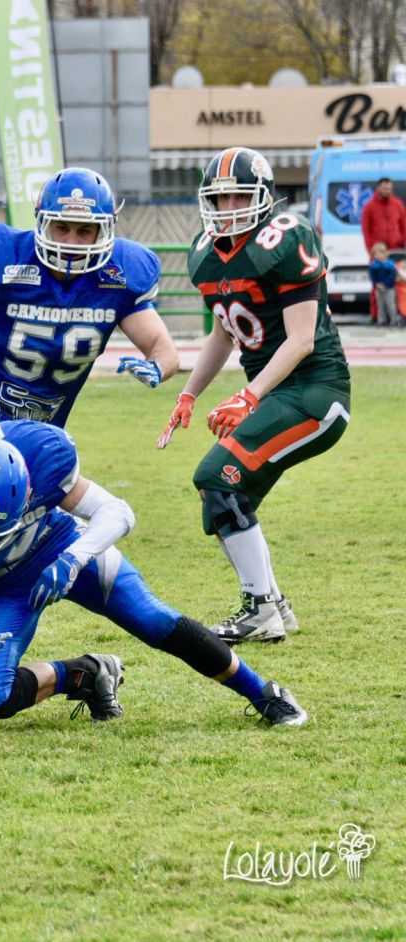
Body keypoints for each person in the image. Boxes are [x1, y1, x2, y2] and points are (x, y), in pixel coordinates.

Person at [0, 167, 179, 672]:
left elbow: (163, 346)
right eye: (62, 227)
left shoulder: (120, 274)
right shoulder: (3, 257)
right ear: (41, 222)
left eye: (85, 230)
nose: (71, 241)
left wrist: (157, 365)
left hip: (43, 431)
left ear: (106, 229)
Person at [0, 424, 308, 728]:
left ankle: (263, 692)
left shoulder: (36, 456)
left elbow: (118, 512)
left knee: (152, 618)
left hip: (57, 547)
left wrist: (73, 559)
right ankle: (85, 674)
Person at [160, 146, 350, 645]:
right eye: (219, 199)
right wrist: (189, 393)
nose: (228, 208)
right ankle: (272, 605)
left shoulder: (286, 237)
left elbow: (302, 340)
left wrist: (249, 394)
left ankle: (261, 607)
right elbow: (223, 334)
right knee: (222, 498)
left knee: (214, 478)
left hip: (314, 391)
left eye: (239, 197)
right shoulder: (205, 252)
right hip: (276, 396)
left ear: (263, 197)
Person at [359, 178, 406, 325]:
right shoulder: (369, 206)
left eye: (389, 188)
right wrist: (371, 251)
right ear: (378, 188)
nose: (387, 191)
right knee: (377, 286)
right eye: (385, 188)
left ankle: (398, 315)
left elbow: (404, 226)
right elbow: (366, 230)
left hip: (396, 252)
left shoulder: (398, 204)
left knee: (399, 284)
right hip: (379, 253)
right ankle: (376, 316)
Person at [368, 242, 404, 328]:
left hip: (389, 288)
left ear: (385, 253)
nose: (378, 255)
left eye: (380, 253)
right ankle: (382, 321)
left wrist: (385, 284)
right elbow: (373, 277)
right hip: (378, 289)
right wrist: (377, 283)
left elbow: (392, 276)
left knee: (391, 305)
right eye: (375, 254)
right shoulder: (373, 266)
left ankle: (394, 321)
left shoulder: (390, 265)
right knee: (381, 306)